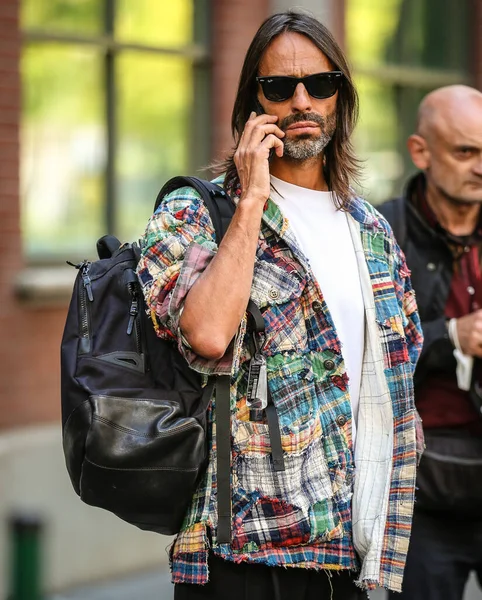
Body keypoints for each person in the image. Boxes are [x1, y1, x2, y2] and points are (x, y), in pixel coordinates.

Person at [137, 11, 423, 600]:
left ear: (340, 99)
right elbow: (209, 335)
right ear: (252, 103)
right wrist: (252, 201)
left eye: (320, 85)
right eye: (279, 87)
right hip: (242, 552)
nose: (302, 101)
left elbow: (401, 368)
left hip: (351, 547)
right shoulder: (196, 214)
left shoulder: (370, 229)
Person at [379, 85, 482, 600]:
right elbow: (357, 359)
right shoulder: (379, 233)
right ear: (421, 152)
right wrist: (453, 337)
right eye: (466, 152)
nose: (481, 167)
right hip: (420, 501)